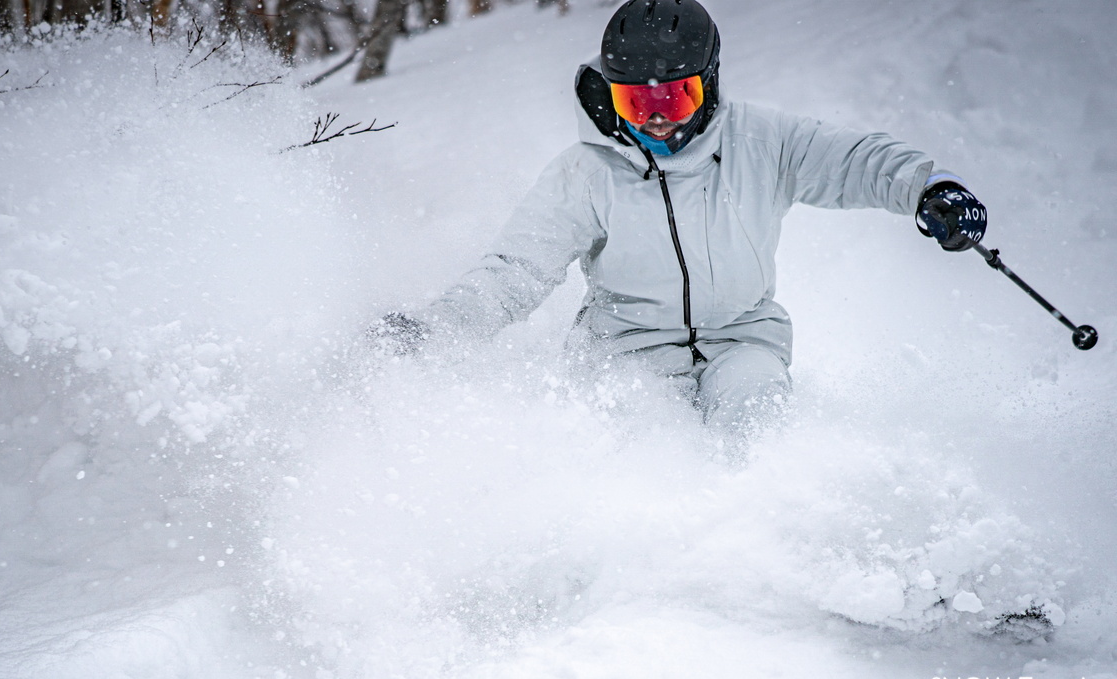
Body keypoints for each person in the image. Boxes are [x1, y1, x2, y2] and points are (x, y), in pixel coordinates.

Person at [372, 0, 987, 431]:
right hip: (625, 355)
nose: (657, 117)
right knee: (645, 452)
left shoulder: (763, 140)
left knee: (758, 420)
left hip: (742, 341)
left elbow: (856, 161)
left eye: (675, 95)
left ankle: (785, 562)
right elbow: (514, 270)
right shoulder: (585, 172)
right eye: (634, 101)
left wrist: (929, 188)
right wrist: (433, 331)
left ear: (710, 83)